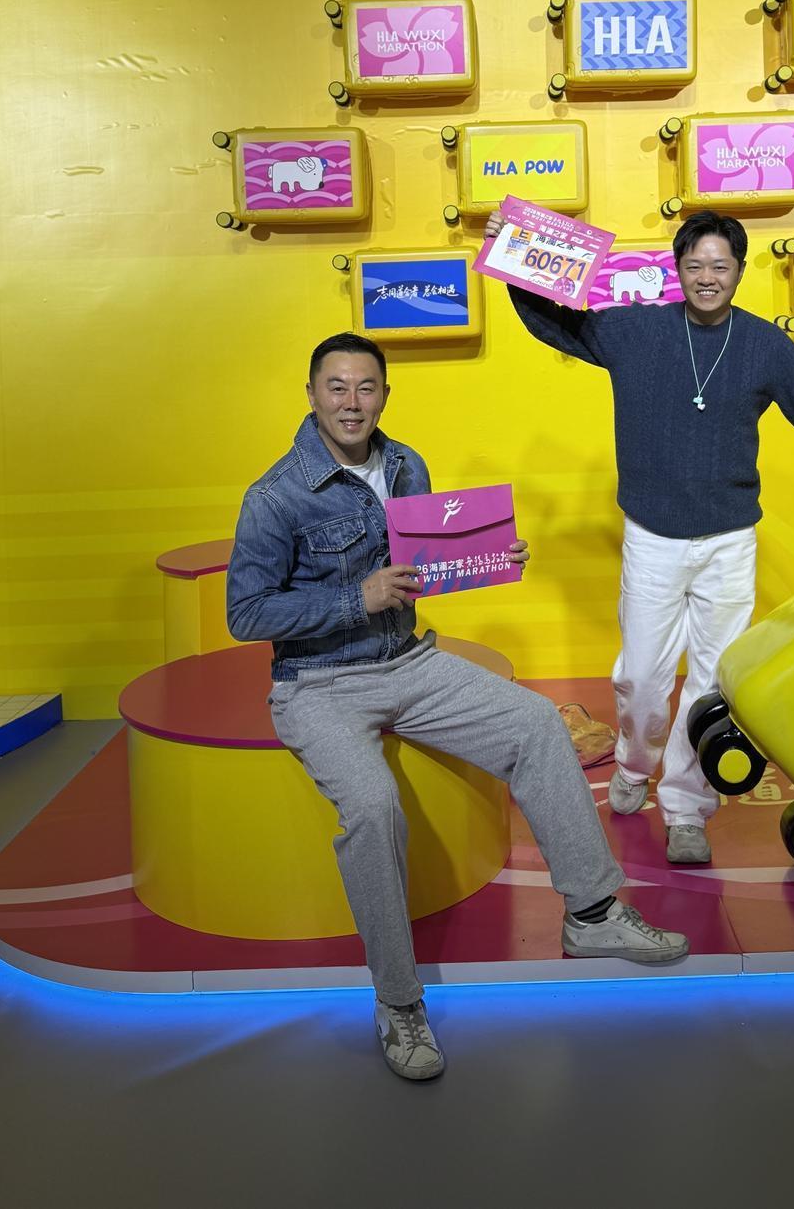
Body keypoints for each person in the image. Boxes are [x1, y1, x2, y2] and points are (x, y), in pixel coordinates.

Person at [226, 331, 689, 1082]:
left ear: (385, 394)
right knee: (372, 805)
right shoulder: (274, 496)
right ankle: (398, 1001)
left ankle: (593, 914)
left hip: (409, 662)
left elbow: (425, 565)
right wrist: (356, 597)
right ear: (311, 396)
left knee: (537, 724)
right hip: (318, 683)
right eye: (337, 387)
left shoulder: (406, 464)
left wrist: (486, 558)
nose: (352, 402)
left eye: (366, 387)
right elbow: (246, 614)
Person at [486, 207, 794, 867]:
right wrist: (516, 260)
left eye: (721, 266)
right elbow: (552, 321)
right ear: (678, 270)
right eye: (696, 264)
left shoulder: (765, 346)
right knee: (642, 679)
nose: (708, 277)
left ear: (739, 271)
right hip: (652, 539)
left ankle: (686, 808)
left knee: (712, 686)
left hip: (730, 543)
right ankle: (634, 762)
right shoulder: (634, 330)